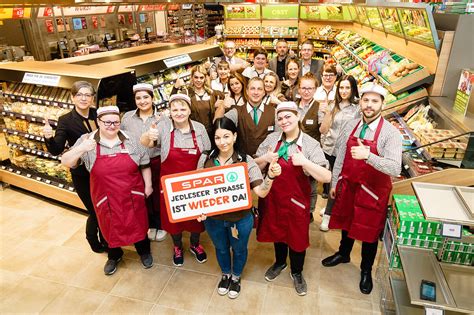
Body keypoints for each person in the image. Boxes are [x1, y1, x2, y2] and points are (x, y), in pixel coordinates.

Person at [321, 83, 402, 295]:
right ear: (361, 102)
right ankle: (343, 253)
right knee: (347, 221)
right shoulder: (352, 125)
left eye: (375, 101)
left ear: (382, 104)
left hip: (373, 191)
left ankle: (366, 270)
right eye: (366, 100)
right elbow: (340, 155)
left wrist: (369, 156)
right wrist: (335, 181)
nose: (369, 105)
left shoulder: (390, 133)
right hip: (349, 186)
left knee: (368, 231)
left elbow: (394, 167)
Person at [61, 106, 153, 275]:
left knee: (138, 224)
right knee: (109, 226)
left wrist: (148, 185)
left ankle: (144, 251)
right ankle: (114, 255)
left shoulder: (131, 139)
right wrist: (82, 148)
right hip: (105, 196)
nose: (112, 125)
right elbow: (66, 161)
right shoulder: (87, 140)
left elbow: (145, 163)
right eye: (107, 122)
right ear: (98, 121)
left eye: (116, 122)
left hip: (132, 194)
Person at [196, 117, 281, 299]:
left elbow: (261, 192)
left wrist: (271, 177)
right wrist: (198, 209)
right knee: (220, 249)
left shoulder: (246, 160)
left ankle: (236, 277)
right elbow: (198, 190)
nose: (222, 142)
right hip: (214, 220)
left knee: (240, 249)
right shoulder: (205, 158)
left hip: (240, 219)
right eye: (217, 138)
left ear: (235, 136)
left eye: (226, 136)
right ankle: (226, 274)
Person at [254, 102, 331, 296]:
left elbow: (326, 176)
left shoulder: (310, 144)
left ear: (298, 116)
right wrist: (267, 158)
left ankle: (297, 272)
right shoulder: (272, 139)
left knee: (296, 238)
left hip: (297, 202)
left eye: (288, 116)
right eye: (280, 118)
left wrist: (305, 162)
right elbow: (254, 164)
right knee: (277, 232)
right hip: (273, 198)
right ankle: (279, 262)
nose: (284, 121)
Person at [141, 94, 212, 266]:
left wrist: (202, 169)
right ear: (170, 112)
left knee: (197, 219)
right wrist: (148, 135)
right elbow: (146, 143)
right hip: (170, 186)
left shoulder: (200, 128)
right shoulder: (163, 126)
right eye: (175, 109)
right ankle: (177, 246)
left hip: (195, 184)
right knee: (174, 220)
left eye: (182, 109)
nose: (179, 113)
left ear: (189, 110)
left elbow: (207, 151)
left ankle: (195, 244)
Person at [43, 81, 106, 253]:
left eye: (88, 95)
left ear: (93, 98)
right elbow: (56, 150)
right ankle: (94, 241)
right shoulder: (66, 120)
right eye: (80, 95)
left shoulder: (98, 114)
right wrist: (48, 137)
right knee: (94, 210)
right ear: (73, 97)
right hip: (82, 174)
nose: (84, 98)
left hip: (101, 171)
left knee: (103, 207)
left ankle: (107, 239)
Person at [121, 83, 167, 242]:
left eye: (146, 97)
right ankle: (150, 224)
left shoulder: (163, 118)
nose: (142, 101)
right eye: (138, 98)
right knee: (141, 194)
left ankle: (161, 224)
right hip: (135, 163)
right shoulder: (127, 118)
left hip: (156, 161)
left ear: (152, 98)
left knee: (157, 194)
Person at [319, 75, 360, 232]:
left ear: (353, 89)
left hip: (344, 152)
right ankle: (330, 207)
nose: (344, 91)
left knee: (337, 183)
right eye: (341, 87)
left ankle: (329, 215)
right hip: (328, 148)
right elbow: (323, 130)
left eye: (347, 88)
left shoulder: (357, 109)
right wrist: (328, 113)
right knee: (329, 182)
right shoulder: (332, 105)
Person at [222, 77, 277, 156]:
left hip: (267, 162)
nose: (256, 92)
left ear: (264, 92)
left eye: (259, 89)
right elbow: (219, 124)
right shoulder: (236, 112)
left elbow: (279, 139)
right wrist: (222, 106)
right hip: (243, 161)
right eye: (252, 89)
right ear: (247, 91)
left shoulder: (274, 112)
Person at [295, 73, 323, 222]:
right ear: (298, 89)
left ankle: (309, 211)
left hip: (311, 154)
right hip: (293, 152)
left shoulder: (319, 108)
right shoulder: (292, 105)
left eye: (310, 88)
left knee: (311, 185)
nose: (306, 91)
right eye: (303, 88)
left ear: (315, 89)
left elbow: (323, 131)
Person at [173, 64, 225, 136]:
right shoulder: (187, 93)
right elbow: (173, 103)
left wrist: (219, 107)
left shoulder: (211, 93)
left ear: (205, 78)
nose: (198, 80)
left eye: (201, 77)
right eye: (196, 77)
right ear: (192, 77)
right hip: (195, 134)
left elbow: (227, 96)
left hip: (212, 133)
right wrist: (175, 87)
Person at [314, 64, 338, 198]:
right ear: (321, 76)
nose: (328, 78)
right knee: (322, 159)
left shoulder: (339, 91)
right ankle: (324, 185)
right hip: (319, 130)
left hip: (334, 132)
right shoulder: (317, 92)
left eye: (331, 75)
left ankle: (330, 188)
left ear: (335, 77)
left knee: (333, 160)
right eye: (325, 75)